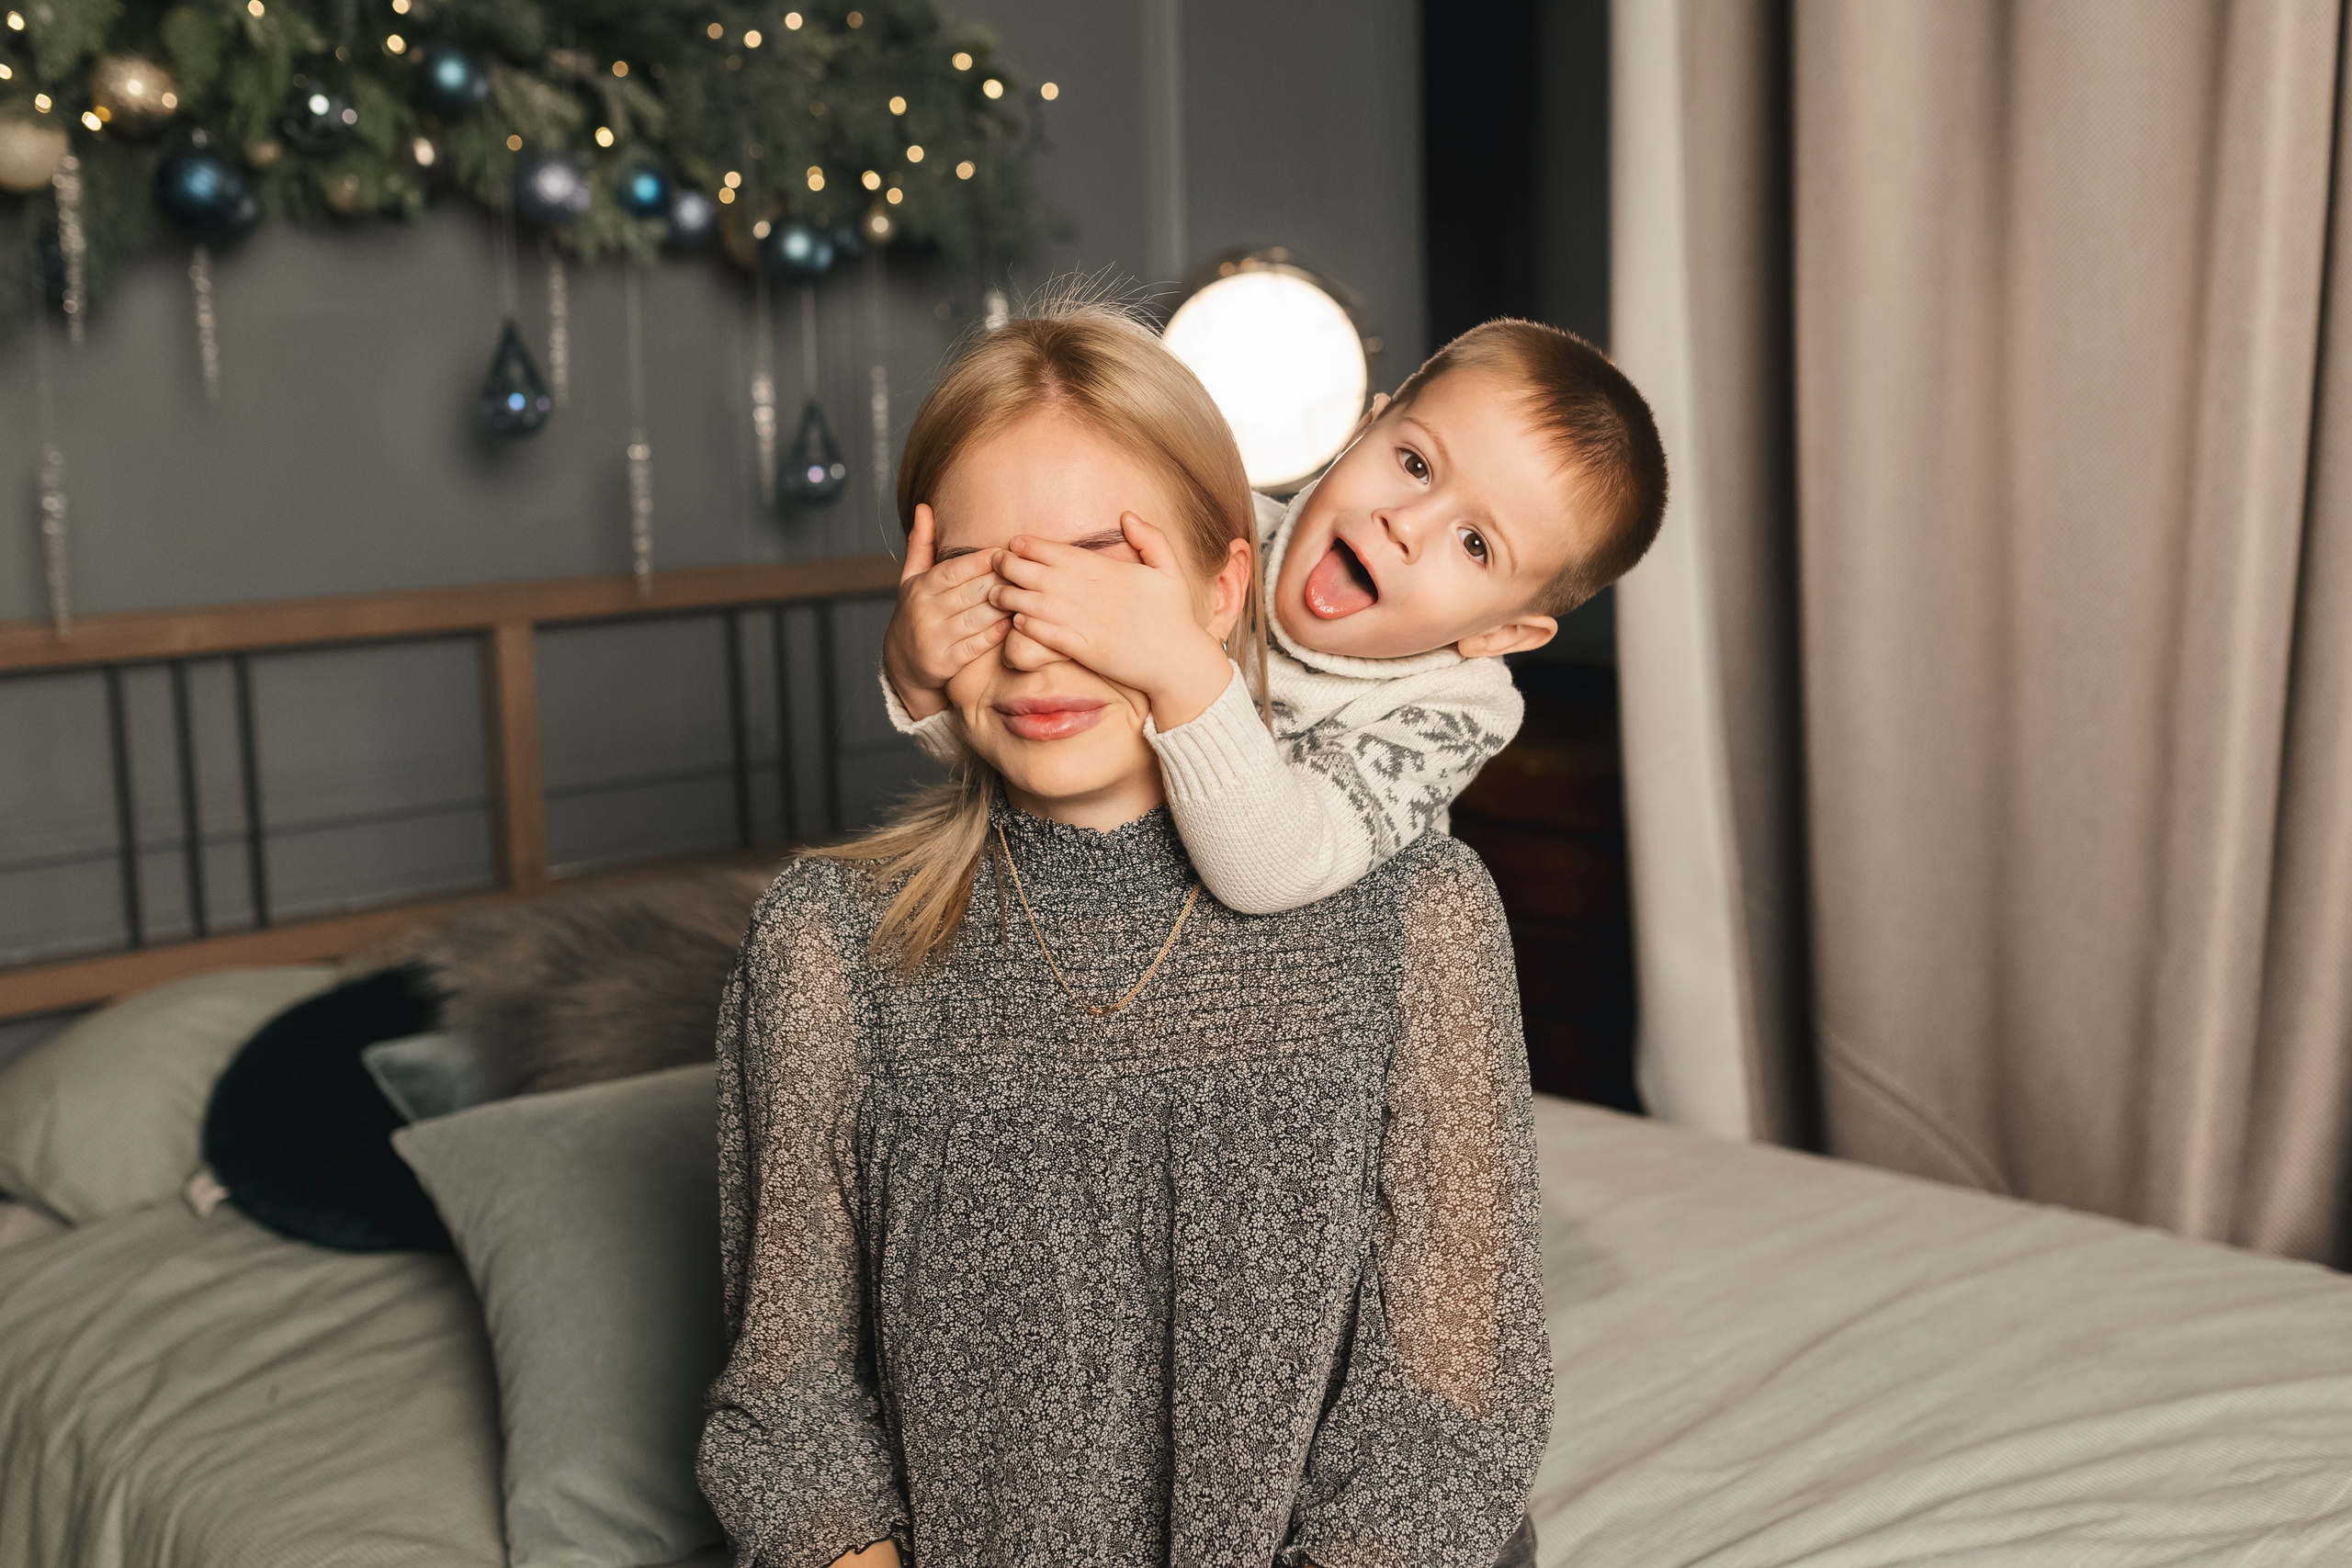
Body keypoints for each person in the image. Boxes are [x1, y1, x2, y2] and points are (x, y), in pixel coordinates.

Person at [699, 304, 1552, 1568]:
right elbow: (792, 1420)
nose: (1045, 630)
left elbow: (1449, 1420)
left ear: (1221, 587)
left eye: (1103, 566)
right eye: (988, 577)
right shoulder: (825, 945)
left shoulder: (1416, 911)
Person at [883, 318, 1668, 915]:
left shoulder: (1453, 712)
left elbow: (1273, 871)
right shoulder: (1214, 537)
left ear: (1501, 634)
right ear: (1362, 429)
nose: (1405, 523)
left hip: (1309, 988)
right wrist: (923, 681)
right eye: (1416, 464)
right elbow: (1042, 757)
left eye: (1473, 543)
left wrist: (1183, 668)